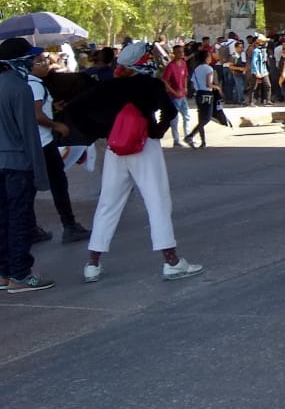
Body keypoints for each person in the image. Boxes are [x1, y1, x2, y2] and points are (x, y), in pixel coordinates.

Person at [60, 41, 203, 283]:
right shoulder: (150, 85)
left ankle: (92, 263)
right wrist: (156, 130)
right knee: (157, 201)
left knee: (108, 203)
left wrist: (102, 131)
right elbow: (170, 111)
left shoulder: (110, 86)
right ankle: (171, 261)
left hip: (117, 149)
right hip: (144, 146)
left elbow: (74, 109)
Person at [0, 39, 55, 293]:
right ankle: (21, 275)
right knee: (20, 220)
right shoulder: (20, 89)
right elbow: (30, 136)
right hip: (17, 165)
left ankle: (3, 273)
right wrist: (41, 176)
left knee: (2, 220)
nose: (33, 62)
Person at [27, 51, 91, 244]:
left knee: (30, 187)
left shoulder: (25, 83)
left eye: (46, 60)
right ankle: (69, 226)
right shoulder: (35, 85)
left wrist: (53, 108)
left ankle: (29, 228)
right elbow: (36, 115)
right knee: (58, 184)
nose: (46, 64)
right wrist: (57, 125)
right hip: (44, 143)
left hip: (33, 143)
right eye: (41, 62)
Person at [184, 48, 220, 148]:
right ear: (206, 58)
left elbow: (192, 82)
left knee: (201, 117)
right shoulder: (209, 69)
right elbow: (208, 84)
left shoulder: (196, 69)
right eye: (209, 56)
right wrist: (217, 87)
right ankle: (190, 135)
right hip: (207, 94)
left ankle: (203, 141)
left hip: (198, 93)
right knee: (207, 118)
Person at [161, 43, 192, 147]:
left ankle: (188, 136)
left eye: (182, 52)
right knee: (175, 118)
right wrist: (173, 91)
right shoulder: (170, 66)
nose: (181, 54)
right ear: (174, 53)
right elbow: (164, 80)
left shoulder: (183, 63)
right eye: (178, 52)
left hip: (182, 94)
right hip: (174, 96)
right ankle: (176, 139)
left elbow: (185, 76)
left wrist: (186, 87)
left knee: (186, 115)